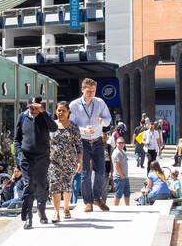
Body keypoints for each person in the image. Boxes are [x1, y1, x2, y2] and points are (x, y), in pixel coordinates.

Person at [69, 78, 112, 213]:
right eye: (88, 91)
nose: (91, 94)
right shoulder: (74, 105)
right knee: (85, 173)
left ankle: (97, 198)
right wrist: (83, 130)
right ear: (82, 90)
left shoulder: (100, 103)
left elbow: (108, 120)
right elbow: (70, 125)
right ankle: (88, 202)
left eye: (93, 91)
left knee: (101, 172)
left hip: (98, 141)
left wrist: (101, 122)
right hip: (82, 142)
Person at [13, 97, 56, 228]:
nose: (33, 110)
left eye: (36, 107)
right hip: (26, 157)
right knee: (28, 185)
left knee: (42, 185)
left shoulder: (45, 116)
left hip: (42, 156)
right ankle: (28, 217)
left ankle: (42, 212)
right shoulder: (22, 117)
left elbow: (54, 128)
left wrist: (43, 113)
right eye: (31, 107)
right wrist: (19, 156)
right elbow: (16, 139)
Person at [47, 100, 82, 223]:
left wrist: (80, 161)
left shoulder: (73, 127)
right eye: (59, 110)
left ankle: (66, 208)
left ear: (68, 112)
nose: (61, 112)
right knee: (54, 185)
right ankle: (56, 212)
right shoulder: (51, 126)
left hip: (70, 161)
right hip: (53, 161)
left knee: (67, 186)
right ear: (56, 112)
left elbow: (79, 145)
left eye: (63, 110)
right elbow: (46, 142)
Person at [110, 137, 132, 205]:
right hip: (119, 176)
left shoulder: (122, 151)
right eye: (119, 143)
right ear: (116, 143)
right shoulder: (116, 152)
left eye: (122, 143)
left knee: (127, 194)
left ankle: (127, 207)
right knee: (118, 194)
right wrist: (121, 175)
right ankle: (115, 208)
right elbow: (117, 165)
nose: (121, 144)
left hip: (125, 176)